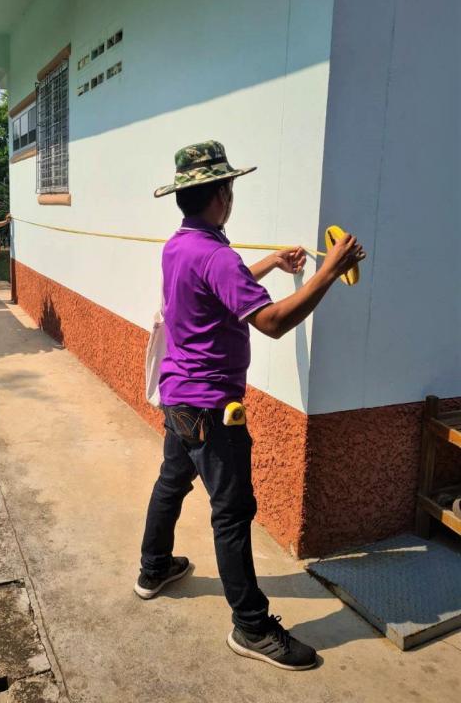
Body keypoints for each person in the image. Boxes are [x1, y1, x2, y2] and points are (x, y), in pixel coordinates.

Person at [135, 140, 365, 670]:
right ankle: (251, 627)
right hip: (212, 408)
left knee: (171, 483)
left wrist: (269, 263)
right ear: (221, 194)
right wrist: (330, 269)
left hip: (178, 397)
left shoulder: (180, 247)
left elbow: (221, 289)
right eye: (230, 188)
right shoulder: (217, 255)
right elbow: (273, 323)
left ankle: (153, 569)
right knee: (233, 513)